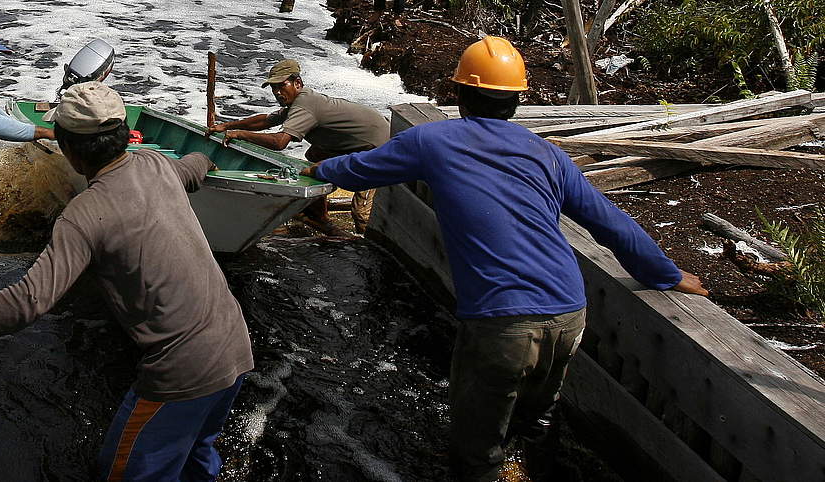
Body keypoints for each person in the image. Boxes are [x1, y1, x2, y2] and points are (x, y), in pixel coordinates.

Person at [302, 36, 709, 482]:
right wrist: (665, 274)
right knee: (538, 416)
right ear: (516, 101)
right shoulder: (549, 155)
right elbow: (610, 222)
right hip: (569, 313)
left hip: (502, 320)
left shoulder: (433, 140)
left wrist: (319, 169)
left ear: (459, 94)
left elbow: (360, 168)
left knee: (477, 447)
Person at [0, 81, 254, 482]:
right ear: (125, 134)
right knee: (197, 454)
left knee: (125, 474)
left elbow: (29, 301)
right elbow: (192, 168)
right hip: (236, 346)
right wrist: (206, 158)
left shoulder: (84, 214)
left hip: (183, 370)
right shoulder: (155, 165)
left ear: (68, 148)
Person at [208, 58, 388, 234]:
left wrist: (240, 134)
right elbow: (265, 121)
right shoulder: (299, 102)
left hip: (379, 149)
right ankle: (319, 215)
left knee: (362, 214)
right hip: (360, 144)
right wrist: (228, 126)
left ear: (297, 83)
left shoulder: (305, 105)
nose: (277, 92)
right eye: (274, 88)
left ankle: (364, 245)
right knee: (315, 156)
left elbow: (279, 142)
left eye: (281, 86)